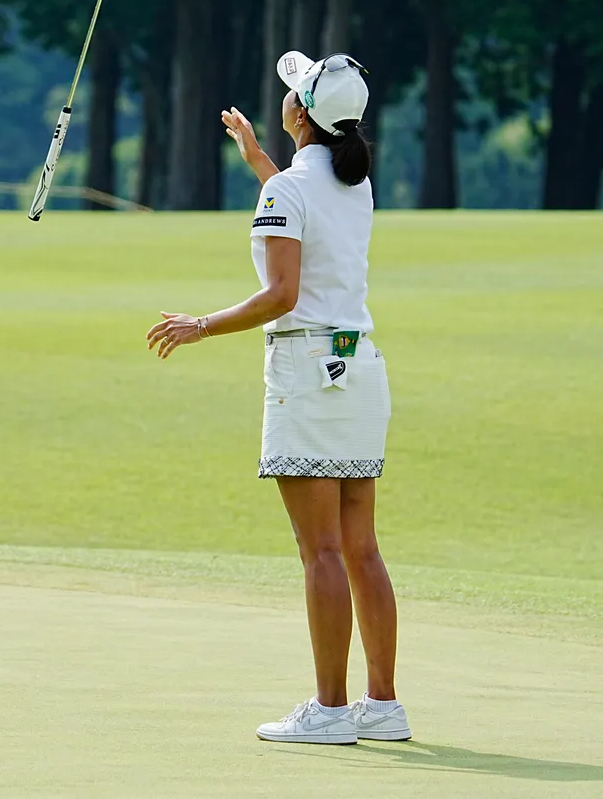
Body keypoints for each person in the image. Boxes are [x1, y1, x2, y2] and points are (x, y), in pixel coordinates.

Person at [144, 51, 411, 745]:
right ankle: (382, 706)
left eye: (293, 93)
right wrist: (259, 158)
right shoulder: (354, 181)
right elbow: (301, 208)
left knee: (320, 549)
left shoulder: (292, 190)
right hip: (359, 365)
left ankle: (330, 710)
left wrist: (200, 325)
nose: (285, 97)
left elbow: (282, 294)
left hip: (306, 369)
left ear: (302, 115)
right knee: (360, 548)